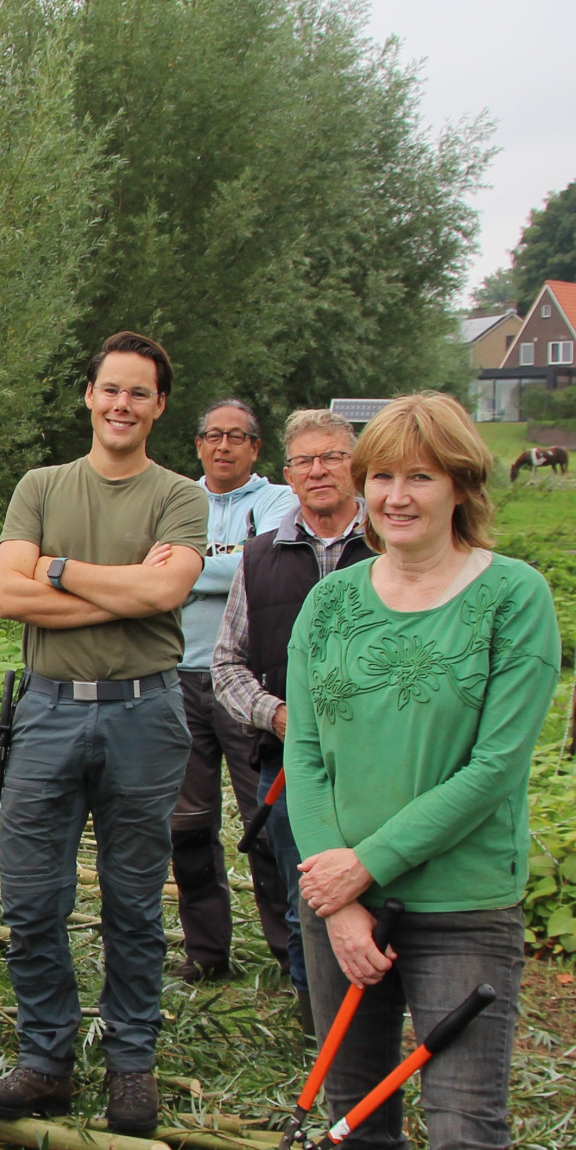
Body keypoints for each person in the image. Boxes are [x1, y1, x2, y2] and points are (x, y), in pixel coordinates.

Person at [288, 394, 556, 1150]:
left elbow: (493, 769)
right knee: (356, 1129)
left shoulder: (512, 598)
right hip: (339, 912)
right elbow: (306, 753)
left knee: (467, 1146)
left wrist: (368, 866)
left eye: (420, 477)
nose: (396, 498)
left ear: (460, 486)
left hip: (462, 910)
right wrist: (340, 893)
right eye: (382, 478)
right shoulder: (329, 603)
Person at [0, 331, 208, 1137]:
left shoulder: (180, 495)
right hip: (45, 712)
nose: (122, 404)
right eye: (111, 389)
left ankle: (131, 1069)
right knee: (33, 901)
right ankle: (45, 1062)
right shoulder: (41, 486)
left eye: (139, 393)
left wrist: (60, 569)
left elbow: (169, 587)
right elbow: (10, 596)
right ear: (89, 395)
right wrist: (131, 589)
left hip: (146, 714)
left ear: (159, 405)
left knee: (135, 904)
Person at [211, 408, 372, 1036]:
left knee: (377, 887)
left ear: (355, 467)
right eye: (305, 460)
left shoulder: (386, 544)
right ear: (287, 475)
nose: (318, 470)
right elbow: (226, 667)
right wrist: (278, 717)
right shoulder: (260, 557)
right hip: (291, 766)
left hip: (381, 765)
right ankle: (319, 1020)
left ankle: (380, 1011)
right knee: (307, 893)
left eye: (331, 457)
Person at [170, 400, 297, 982]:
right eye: (212, 435)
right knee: (188, 825)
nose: (224, 446)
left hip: (249, 683)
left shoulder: (279, 501)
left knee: (266, 820)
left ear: (255, 447)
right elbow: (150, 572)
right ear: (198, 444)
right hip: (179, 676)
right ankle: (206, 955)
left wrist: (186, 569)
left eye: (237, 437)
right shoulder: (175, 497)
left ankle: (288, 953)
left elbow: (266, 564)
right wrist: (228, 563)